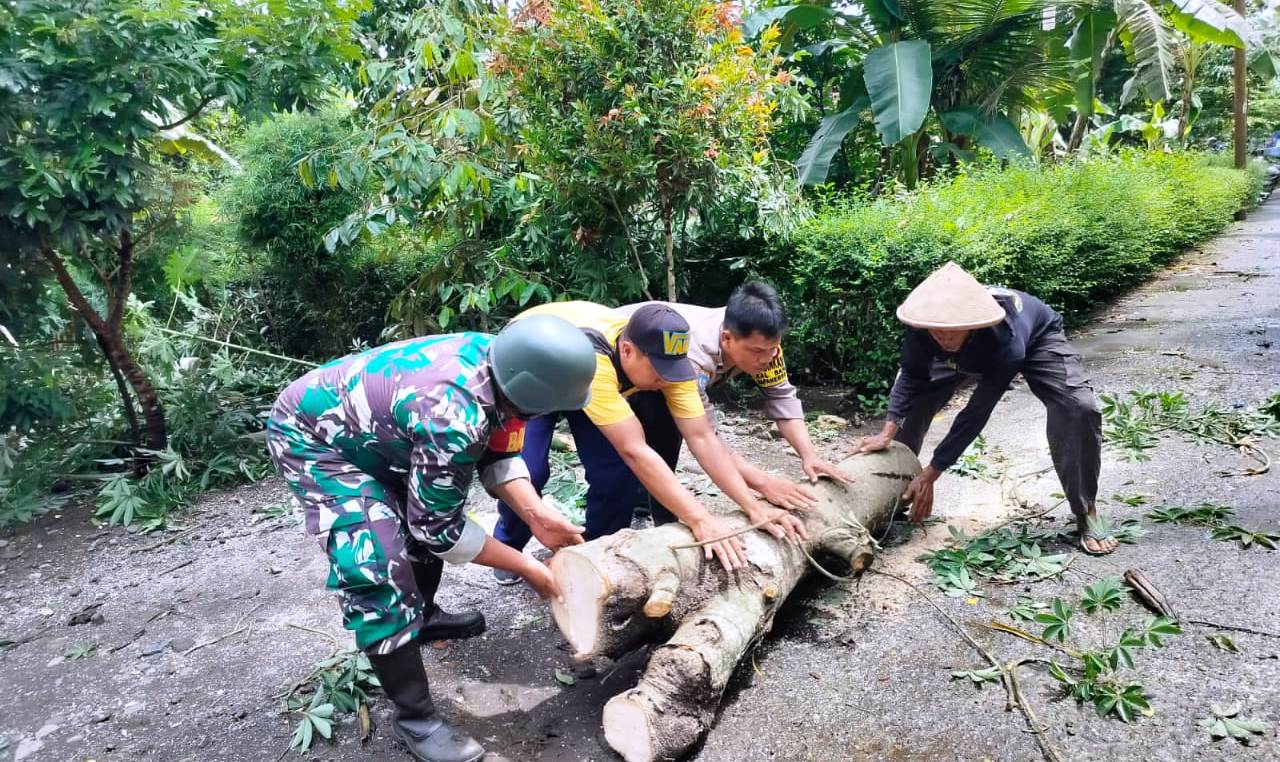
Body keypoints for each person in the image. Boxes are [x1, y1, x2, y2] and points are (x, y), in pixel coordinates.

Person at [265, 316, 597, 762]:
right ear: (530, 395)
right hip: (314, 438)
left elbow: (501, 451)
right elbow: (438, 530)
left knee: (422, 515)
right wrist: (529, 567)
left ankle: (420, 617)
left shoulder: (507, 363)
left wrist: (538, 515)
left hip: (385, 433)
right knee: (376, 563)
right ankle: (416, 720)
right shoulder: (454, 417)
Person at [492, 301, 806, 579]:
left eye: (673, 369)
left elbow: (702, 438)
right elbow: (636, 450)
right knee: (528, 471)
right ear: (627, 351)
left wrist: (753, 508)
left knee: (616, 477)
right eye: (658, 371)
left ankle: (596, 557)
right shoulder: (597, 361)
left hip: (592, 384)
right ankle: (509, 547)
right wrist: (700, 518)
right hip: (536, 366)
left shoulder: (675, 368)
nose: (667, 379)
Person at [856, 261, 1118, 555]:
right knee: (914, 404)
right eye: (936, 332)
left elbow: (976, 411)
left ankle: (1086, 509)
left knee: (1078, 407)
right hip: (970, 349)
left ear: (972, 323)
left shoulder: (1005, 340)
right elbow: (912, 376)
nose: (943, 338)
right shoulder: (925, 327)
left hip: (1035, 339)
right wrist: (887, 432)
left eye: (951, 332)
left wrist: (933, 472)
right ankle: (896, 491)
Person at [615, 281, 849, 525]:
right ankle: (643, 516)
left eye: (772, 349)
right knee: (657, 433)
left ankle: (652, 511)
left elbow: (781, 396)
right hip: (635, 363)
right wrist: (762, 484)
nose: (767, 359)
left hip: (662, 365)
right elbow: (706, 438)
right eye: (758, 351)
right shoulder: (692, 360)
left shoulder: (766, 350)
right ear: (727, 339)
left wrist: (809, 455)